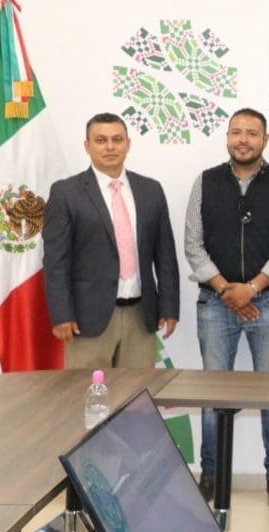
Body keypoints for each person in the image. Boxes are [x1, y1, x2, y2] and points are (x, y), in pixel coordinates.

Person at [184, 108, 269, 509]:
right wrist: (226, 290)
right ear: (227, 137)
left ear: (265, 140)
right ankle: (211, 476)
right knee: (214, 394)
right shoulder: (205, 182)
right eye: (237, 132)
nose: (243, 140)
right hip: (215, 304)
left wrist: (250, 289)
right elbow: (193, 244)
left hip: (268, 302)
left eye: (252, 133)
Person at [43, 112, 179, 368]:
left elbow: (165, 255)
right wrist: (61, 314)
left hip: (141, 316)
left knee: (137, 391)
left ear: (128, 144)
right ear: (87, 146)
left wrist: (169, 306)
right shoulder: (66, 193)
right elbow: (56, 262)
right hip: (87, 319)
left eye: (117, 139)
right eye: (101, 140)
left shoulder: (151, 190)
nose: (110, 147)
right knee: (87, 391)